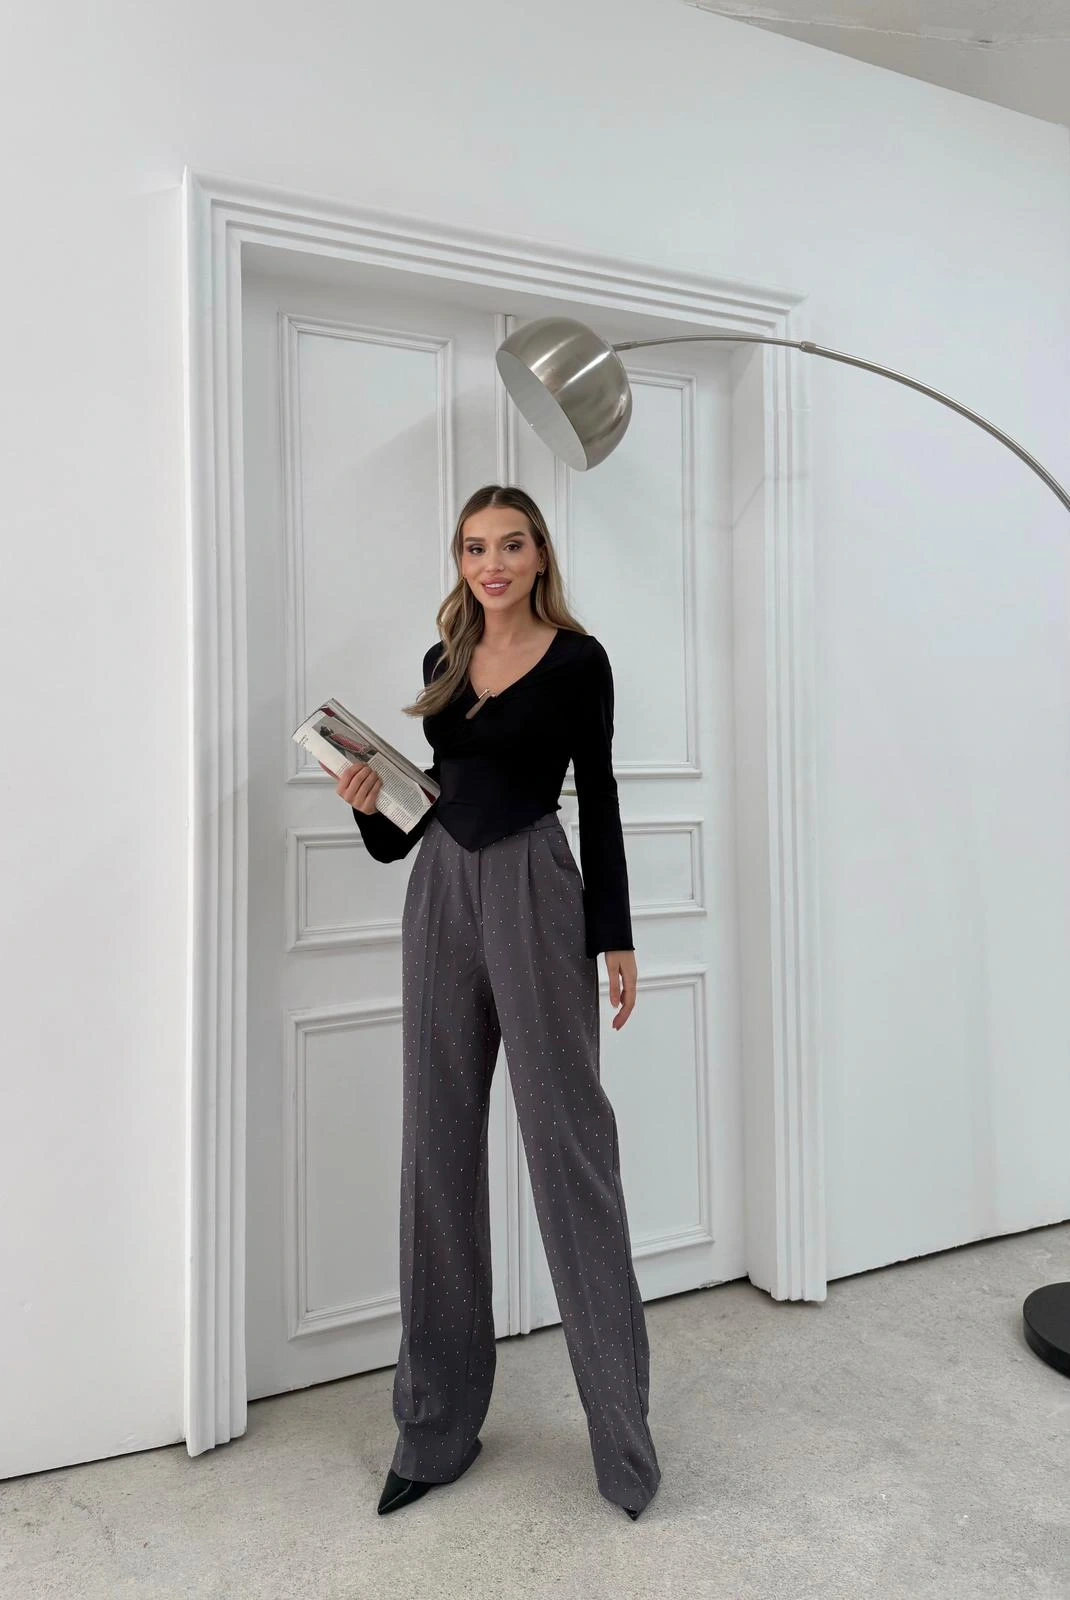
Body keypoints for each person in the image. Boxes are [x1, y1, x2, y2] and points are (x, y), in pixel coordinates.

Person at [334, 483, 660, 1521]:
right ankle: (433, 1430)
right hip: (440, 890)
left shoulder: (578, 660)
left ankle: (622, 1440)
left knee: (569, 1145)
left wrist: (613, 932)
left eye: (510, 545)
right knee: (435, 1147)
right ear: (461, 560)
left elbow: (599, 794)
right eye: (475, 548)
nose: (492, 564)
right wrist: (365, 806)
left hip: (533, 884)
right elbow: (414, 821)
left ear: (539, 554)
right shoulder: (444, 658)